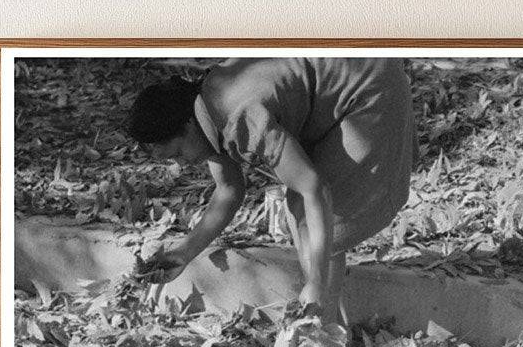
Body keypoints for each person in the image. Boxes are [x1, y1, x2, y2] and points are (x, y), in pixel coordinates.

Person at [127, 57, 417, 320]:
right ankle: (324, 320)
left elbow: (314, 189)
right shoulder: (207, 107)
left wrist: (315, 282)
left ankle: (324, 328)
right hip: (347, 82)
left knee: (314, 214)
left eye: (178, 153)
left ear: (188, 125)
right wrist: (183, 253)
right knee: (302, 213)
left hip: (369, 87)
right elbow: (228, 189)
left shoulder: (239, 115)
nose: (182, 164)